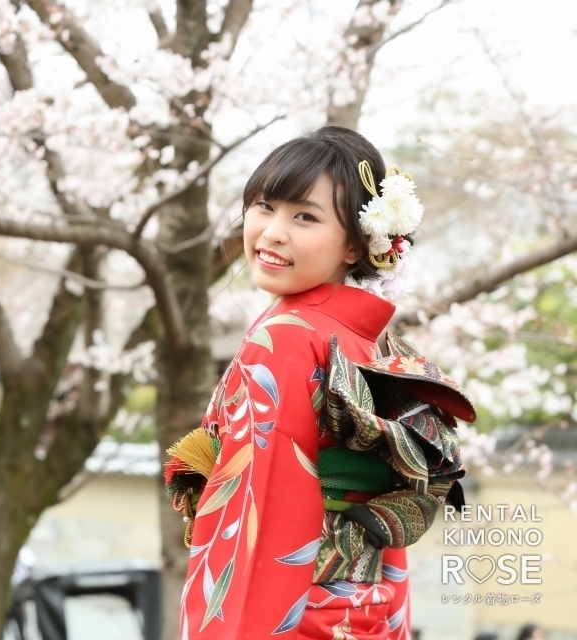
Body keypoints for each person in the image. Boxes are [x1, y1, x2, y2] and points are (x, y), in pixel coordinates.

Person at [163, 126, 474, 639]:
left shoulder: (284, 337)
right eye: (263, 207)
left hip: (288, 608)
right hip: (362, 603)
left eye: (304, 216)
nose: (272, 232)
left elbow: (260, 498)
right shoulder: (375, 342)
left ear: (355, 244)